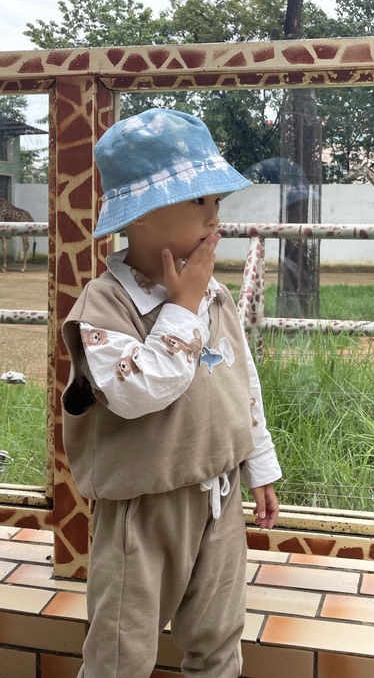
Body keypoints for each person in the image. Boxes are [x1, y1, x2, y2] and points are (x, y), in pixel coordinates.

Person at [61, 107, 281, 678]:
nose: (215, 215)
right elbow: (137, 393)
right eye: (199, 201)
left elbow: (240, 378)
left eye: (217, 202)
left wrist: (259, 464)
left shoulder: (215, 297)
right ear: (140, 217)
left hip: (219, 490)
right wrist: (182, 306)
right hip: (144, 505)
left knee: (218, 637)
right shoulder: (104, 307)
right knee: (121, 649)